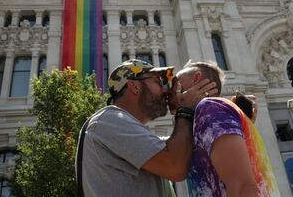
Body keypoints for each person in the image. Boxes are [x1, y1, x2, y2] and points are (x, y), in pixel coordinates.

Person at [77, 59, 218, 197]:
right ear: (134, 86)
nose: (165, 91)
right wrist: (185, 110)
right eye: (158, 82)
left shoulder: (137, 135)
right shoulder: (109, 120)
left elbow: (182, 148)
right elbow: (175, 166)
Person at [169, 61, 279, 197]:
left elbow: (242, 186)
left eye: (177, 82)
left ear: (196, 78)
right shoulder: (208, 116)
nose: (171, 90)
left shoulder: (209, 108)